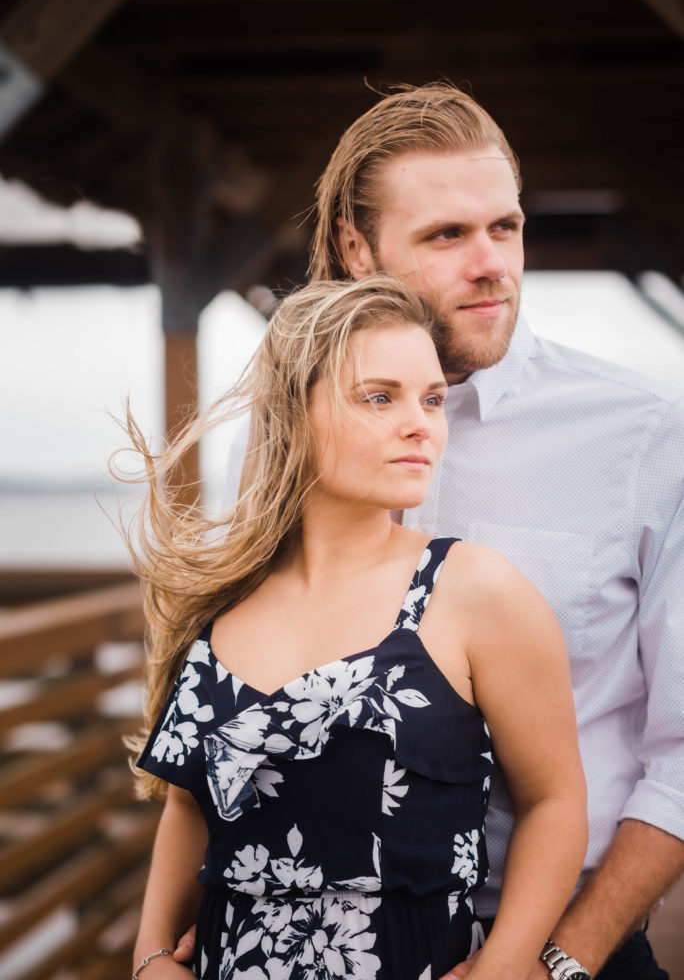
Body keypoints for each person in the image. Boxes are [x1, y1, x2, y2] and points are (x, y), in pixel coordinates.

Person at [208, 83, 684, 979]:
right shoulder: (267, 450)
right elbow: (225, 700)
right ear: (357, 247)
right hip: (311, 943)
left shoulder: (644, 436)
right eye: (445, 236)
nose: (491, 264)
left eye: (504, 228)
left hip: (565, 945)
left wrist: (557, 960)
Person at [127, 275, 587, 980]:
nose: (421, 424)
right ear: (292, 411)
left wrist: (505, 965)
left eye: (432, 399)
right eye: (380, 397)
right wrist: (151, 955)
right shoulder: (222, 596)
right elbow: (189, 802)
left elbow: (555, 800)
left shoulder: (473, 592)